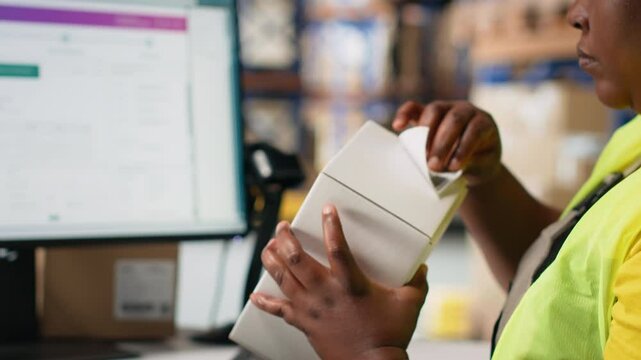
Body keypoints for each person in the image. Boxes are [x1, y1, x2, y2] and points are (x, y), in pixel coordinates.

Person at [250, 0, 641, 358]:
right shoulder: (633, 139)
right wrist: (483, 180)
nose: (576, 13)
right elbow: (568, 284)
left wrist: (368, 349)